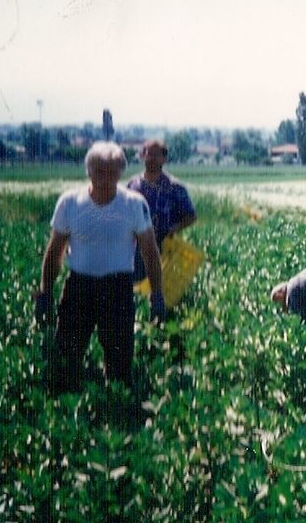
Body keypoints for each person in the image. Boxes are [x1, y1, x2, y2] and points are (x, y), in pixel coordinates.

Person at [34, 141, 165, 394]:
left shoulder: (134, 204)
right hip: (78, 288)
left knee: (119, 364)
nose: (105, 179)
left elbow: (150, 252)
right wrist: (45, 292)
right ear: (88, 172)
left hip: (117, 290)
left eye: (112, 173)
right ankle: (69, 417)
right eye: (99, 172)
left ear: (121, 174)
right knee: (67, 356)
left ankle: (116, 416)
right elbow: (54, 252)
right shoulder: (70, 202)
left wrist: (157, 295)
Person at [126, 139, 196, 281]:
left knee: (160, 285)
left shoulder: (175, 187)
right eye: (147, 154)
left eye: (156, 155)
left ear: (164, 159)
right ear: (142, 156)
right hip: (136, 247)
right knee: (135, 286)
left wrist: (173, 229)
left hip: (162, 245)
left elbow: (191, 216)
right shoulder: (132, 185)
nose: (151, 158)